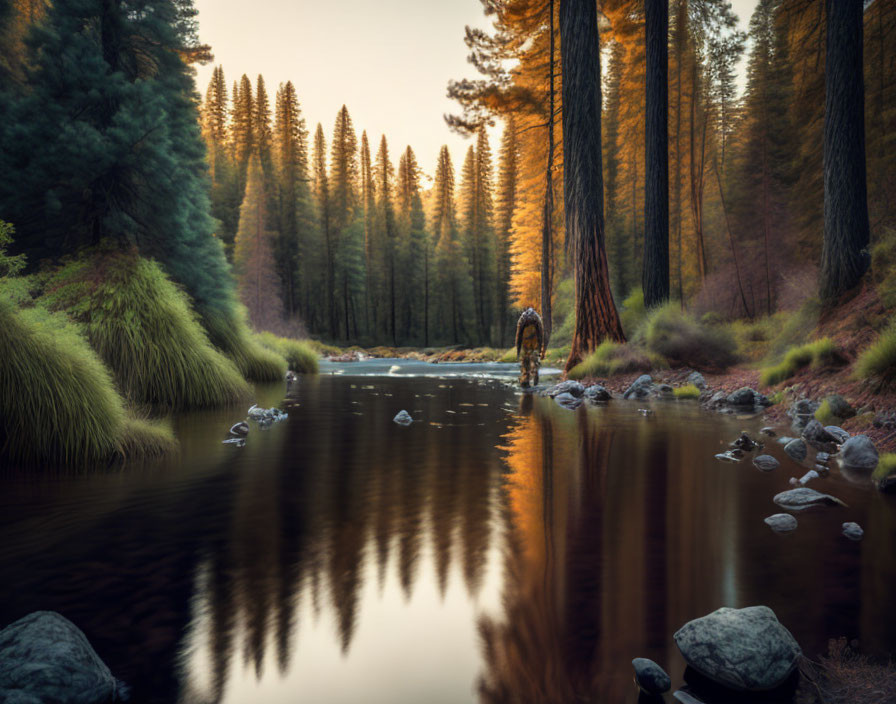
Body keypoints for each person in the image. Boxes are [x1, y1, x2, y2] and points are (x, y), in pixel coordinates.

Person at [515, 307, 544, 388]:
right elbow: (518, 335)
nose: (529, 321)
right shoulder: (522, 319)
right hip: (525, 343)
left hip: (534, 343)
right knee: (525, 362)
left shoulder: (537, 319)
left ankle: (534, 377)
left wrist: (542, 347)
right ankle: (526, 380)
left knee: (534, 360)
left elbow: (541, 334)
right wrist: (518, 348)